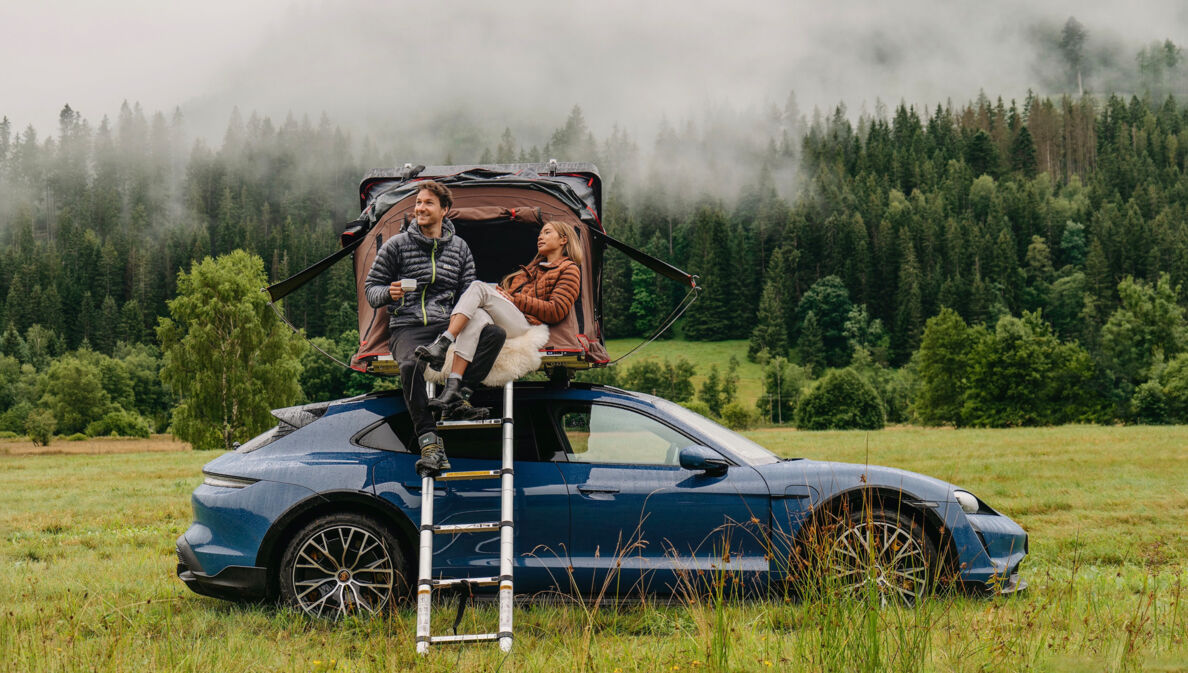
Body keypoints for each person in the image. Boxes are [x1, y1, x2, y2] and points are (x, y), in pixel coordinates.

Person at [364, 181, 506, 477]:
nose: (420, 208)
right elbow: (370, 290)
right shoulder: (397, 245)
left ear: (445, 210)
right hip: (408, 324)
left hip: (446, 322)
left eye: (428, 203)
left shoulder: (460, 248)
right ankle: (429, 443)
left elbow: (469, 292)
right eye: (417, 203)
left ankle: (457, 397)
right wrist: (388, 293)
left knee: (494, 334)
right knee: (409, 365)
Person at [415, 220, 582, 408]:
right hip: (509, 318)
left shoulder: (569, 269)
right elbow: (508, 297)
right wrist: (502, 294)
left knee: (478, 286)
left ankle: (443, 343)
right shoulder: (531, 269)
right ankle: (453, 387)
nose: (540, 236)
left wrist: (514, 299)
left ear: (563, 240)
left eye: (547, 232)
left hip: (525, 324)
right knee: (476, 314)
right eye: (540, 233)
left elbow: (556, 310)